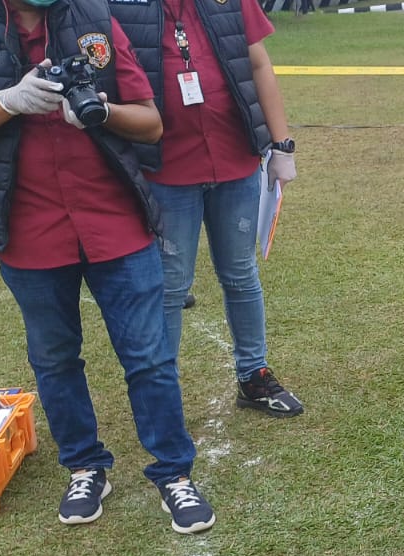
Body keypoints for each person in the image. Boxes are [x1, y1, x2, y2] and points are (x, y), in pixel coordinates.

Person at [0, 0, 215, 533]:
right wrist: (7, 100)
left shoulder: (93, 16)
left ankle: (173, 473)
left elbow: (150, 123)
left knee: (149, 357)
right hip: (27, 230)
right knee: (54, 359)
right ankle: (85, 466)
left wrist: (101, 110)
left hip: (115, 221)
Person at [110, 0, 304, 418]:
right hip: (165, 172)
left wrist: (281, 144)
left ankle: (254, 375)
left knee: (241, 274)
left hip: (235, 163)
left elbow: (259, 66)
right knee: (171, 287)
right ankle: (164, 390)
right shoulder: (122, 7)